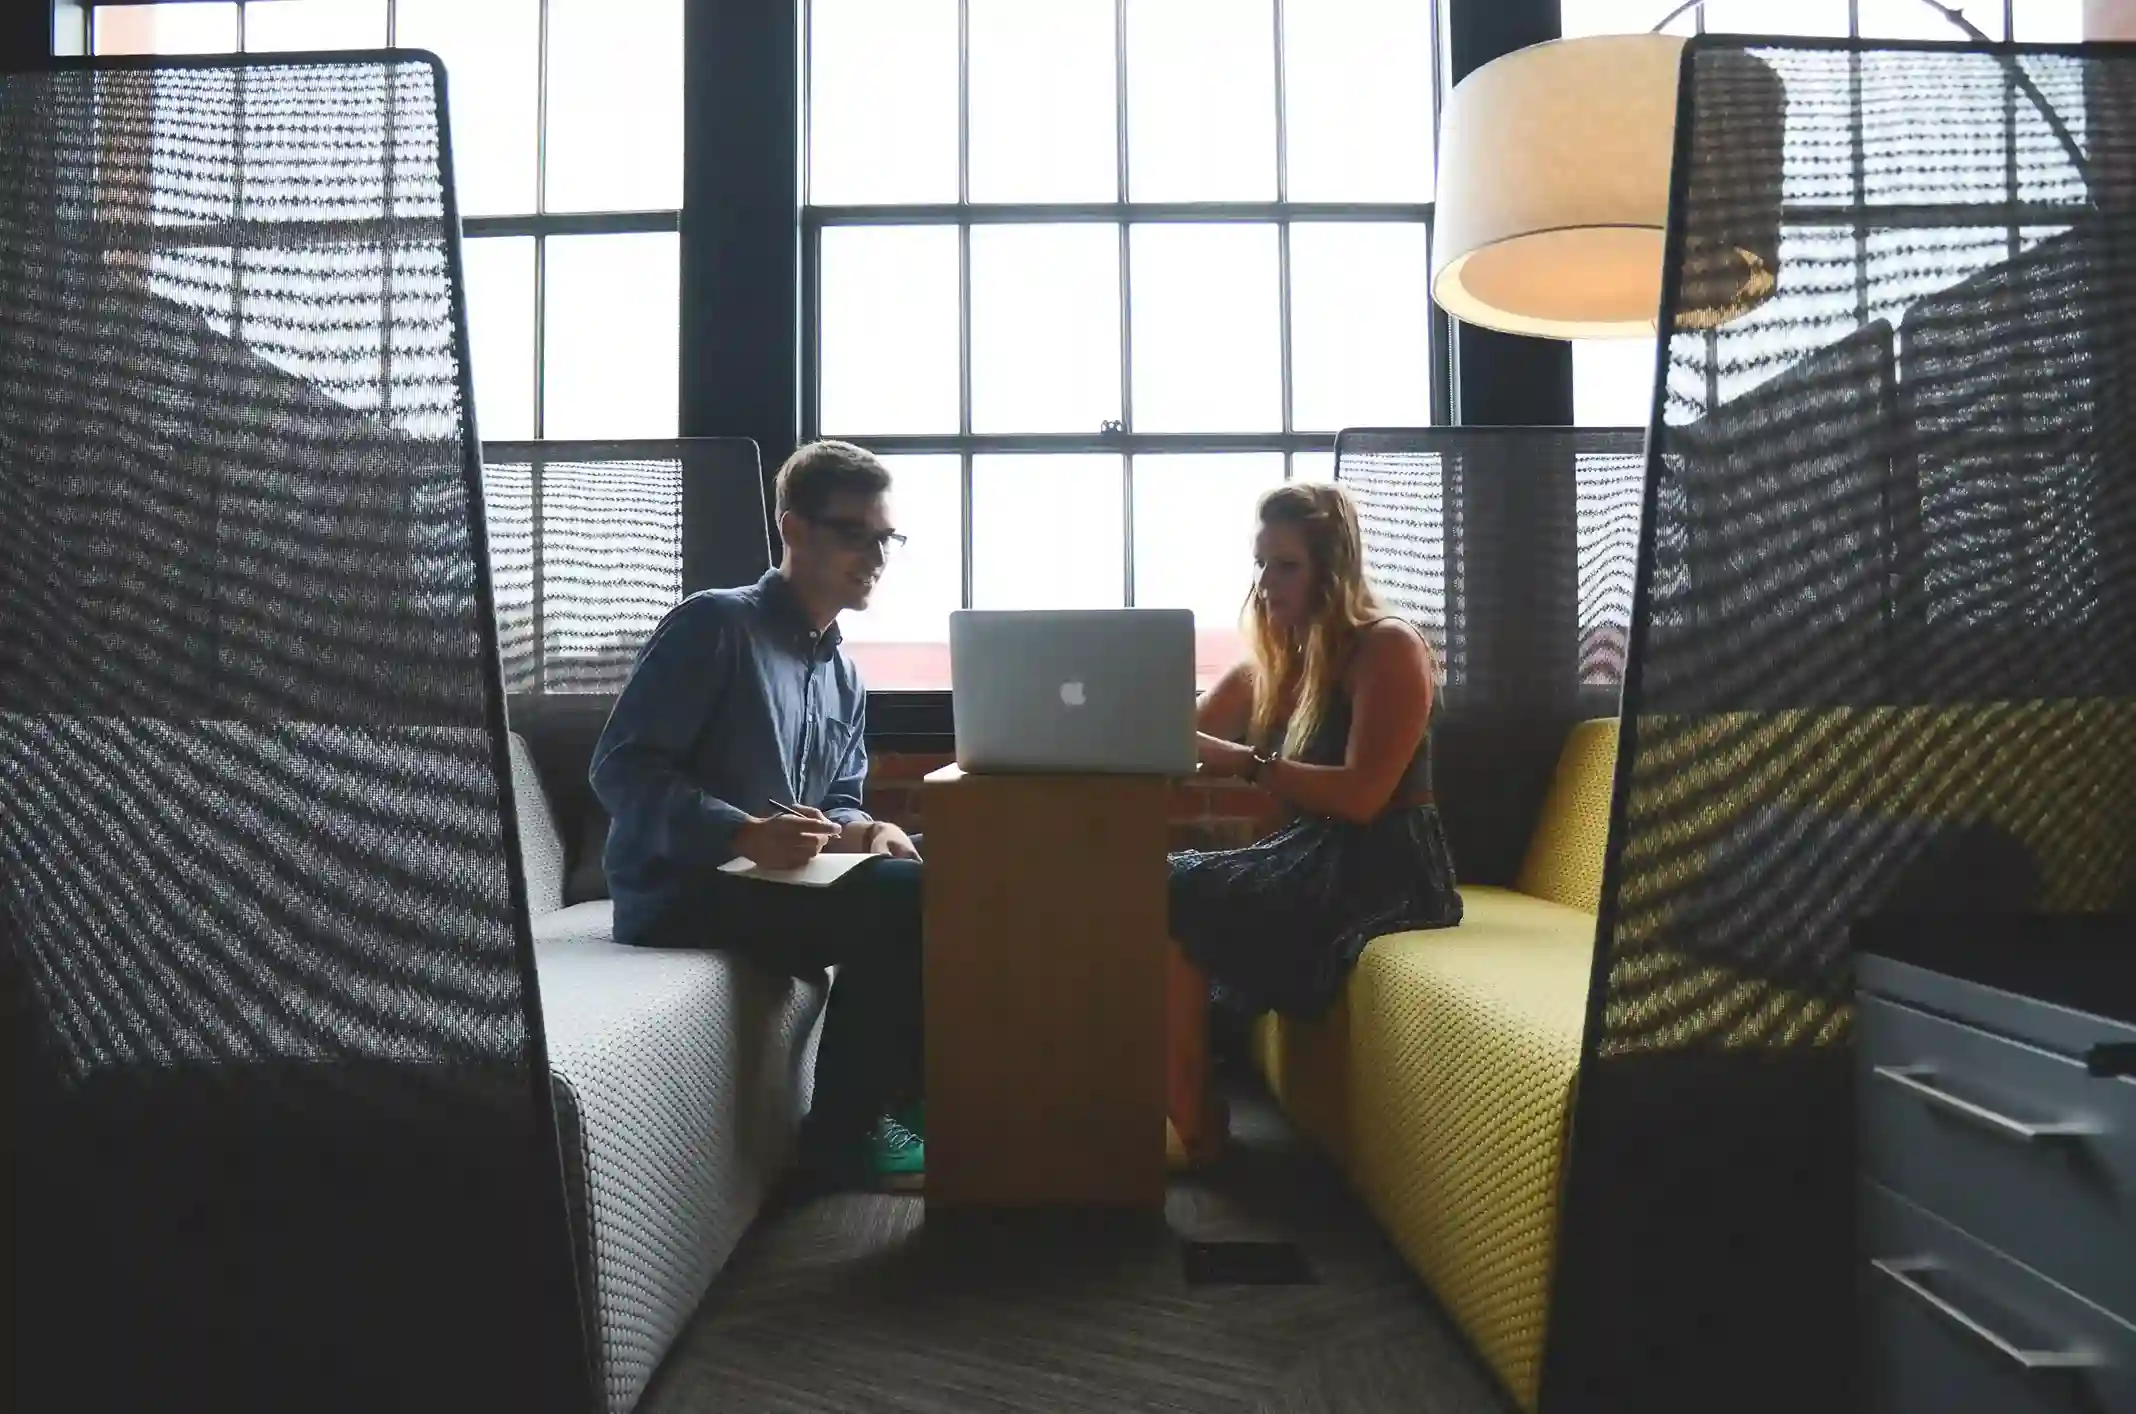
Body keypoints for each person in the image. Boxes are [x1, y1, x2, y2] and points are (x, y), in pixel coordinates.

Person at [590, 439, 926, 1192]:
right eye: (853, 533)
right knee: (912, 900)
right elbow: (621, 768)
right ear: (794, 529)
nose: (874, 555)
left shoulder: (843, 674)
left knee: (946, 867)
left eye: (885, 538)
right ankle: (842, 1137)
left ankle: (913, 1095)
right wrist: (740, 833)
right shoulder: (714, 625)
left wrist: (866, 830)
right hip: (681, 889)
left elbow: (839, 796)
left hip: (780, 883)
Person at [1166, 482, 1463, 1165]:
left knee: (1174, 890)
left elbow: (1363, 797)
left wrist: (1246, 763)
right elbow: (1175, 742)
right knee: (1157, 886)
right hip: (1311, 852)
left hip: (1389, 865)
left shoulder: (1386, 648)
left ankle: (1193, 1118)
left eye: (1286, 565)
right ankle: (1188, 1108)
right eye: (1260, 564)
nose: (1266, 583)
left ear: (1332, 570)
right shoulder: (1273, 664)